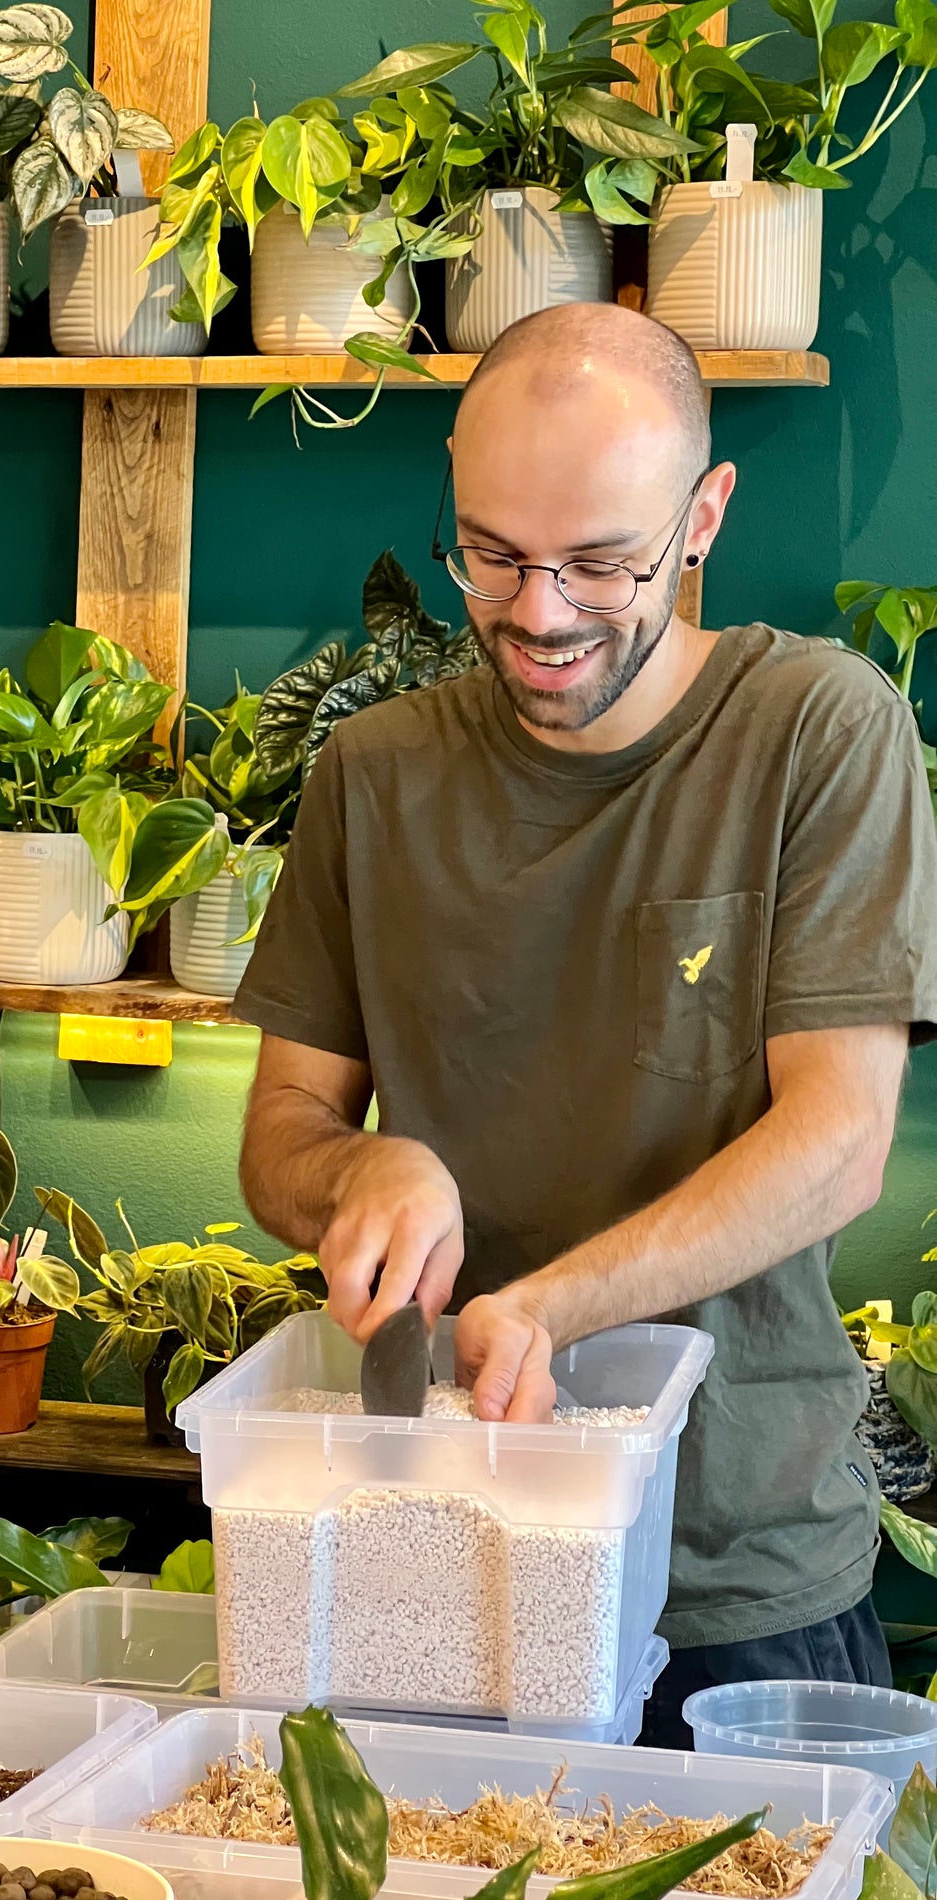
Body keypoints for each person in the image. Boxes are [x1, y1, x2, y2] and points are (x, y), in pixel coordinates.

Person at [231, 301, 937, 1747]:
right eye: (491, 553)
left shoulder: (818, 730)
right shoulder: (369, 775)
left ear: (702, 516)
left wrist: (543, 1310)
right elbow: (278, 1138)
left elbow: (838, 1142)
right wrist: (360, 1171)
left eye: (598, 562)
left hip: (735, 1574)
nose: (538, 612)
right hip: (439, 1561)